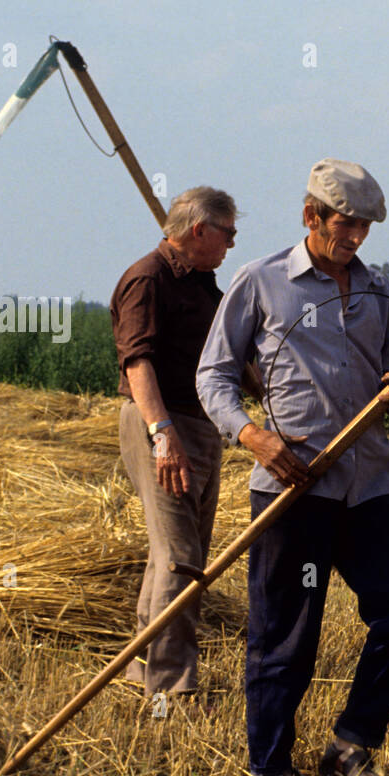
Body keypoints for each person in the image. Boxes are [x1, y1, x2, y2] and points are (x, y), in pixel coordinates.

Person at [197, 159, 389, 776]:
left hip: (368, 484)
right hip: (293, 487)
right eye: (344, 224)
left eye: (363, 227)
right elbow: (212, 376)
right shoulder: (261, 283)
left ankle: (351, 743)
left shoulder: (380, 292)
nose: (354, 237)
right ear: (311, 217)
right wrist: (253, 436)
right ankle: (271, 769)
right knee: (286, 636)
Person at [111, 186, 249, 700]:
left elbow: (231, 355)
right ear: (200, 230)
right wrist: (162, 434)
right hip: (162, 424)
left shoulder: (203, 286)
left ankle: (143, 673)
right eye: (228, 232)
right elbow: (137, 360)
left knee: (170, 556)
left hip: (200, 425)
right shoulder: (147, 279)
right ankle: (172, 691)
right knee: (181, 558)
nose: (232, 244)